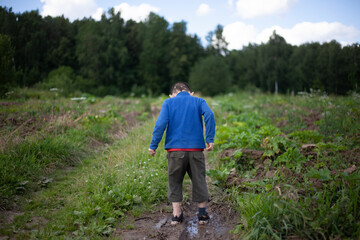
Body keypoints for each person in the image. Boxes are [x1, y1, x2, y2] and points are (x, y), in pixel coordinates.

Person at [148, 82, 216, 226]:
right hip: (196, 150)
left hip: (175, 151)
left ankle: (176, 215)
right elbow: (209, 114)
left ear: (172, 94)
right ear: (190, 93)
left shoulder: (168, 102)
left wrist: (153, 145)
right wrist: (209, 138)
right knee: (199, 179)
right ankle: (202, 214)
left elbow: (160, 124)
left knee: (175, 181)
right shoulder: (199, 101)